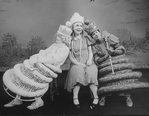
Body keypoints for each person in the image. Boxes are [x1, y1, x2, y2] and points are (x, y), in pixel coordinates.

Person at [3, 25, 72, 110]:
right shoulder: (54, 45)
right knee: (24, 73)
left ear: (65, 38)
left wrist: (39, 59)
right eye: (57, 35)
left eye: (60, 36)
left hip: (50, 68)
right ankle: (18, 98)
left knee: (33, 76)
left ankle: (38, 101)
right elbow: (44, 52)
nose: (57, 37)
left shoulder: (65, 49)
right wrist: (36, 57)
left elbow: (54, 60)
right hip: (42, 64)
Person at [84, 21, 148, 107]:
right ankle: (104, 96)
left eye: (96, 32)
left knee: (124, 76)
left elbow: (121, 49)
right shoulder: (94, 46)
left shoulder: (108, 38)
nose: (95, 35)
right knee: (104, 79)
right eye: (93, 35)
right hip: (105, 66)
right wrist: (105, 56)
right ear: (92, 37)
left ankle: (127, 96)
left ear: (99, 31)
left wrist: (114, 51)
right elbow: (96, 60)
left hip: (117, 62)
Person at [64, 13, 98, 109]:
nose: (79, 27)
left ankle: (96, 96)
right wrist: (78, 64)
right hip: (76, 63)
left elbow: (90, 52)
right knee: (77, 73)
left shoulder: (86, 38)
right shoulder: (70, 40)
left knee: (91, 73)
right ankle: (75, 97)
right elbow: (70, 57)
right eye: (77, 25)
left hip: (88, 61)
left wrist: (90, 60)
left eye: (80, 25)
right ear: (73, 27)